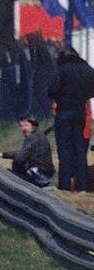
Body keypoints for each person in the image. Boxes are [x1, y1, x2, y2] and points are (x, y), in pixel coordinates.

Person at [47, 45, 94, 190]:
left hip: (64, 111)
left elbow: (52, 90)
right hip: (80, 111)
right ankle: (81, 185)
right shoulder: (87, 69)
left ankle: (65, 184)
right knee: (80, 150)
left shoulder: (61, 69)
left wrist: (61, 98)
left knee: (64, 149)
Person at [0, 116, 53, 187]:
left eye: (26, 125)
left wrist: (2, 155)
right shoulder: (38, 135)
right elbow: (22, 153)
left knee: (8, 172)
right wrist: (3, 154)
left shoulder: (32, 138)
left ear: (33, 126)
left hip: (39, 175)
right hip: (46, 174)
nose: (23, 129)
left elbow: (20, 158)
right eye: (21, 126)